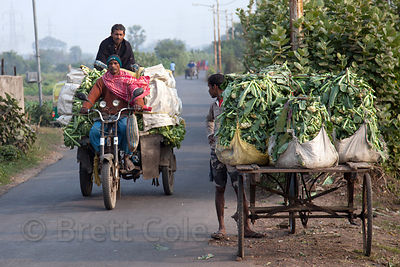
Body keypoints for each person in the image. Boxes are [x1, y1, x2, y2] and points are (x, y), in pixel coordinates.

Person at [206, 73, 264, 240]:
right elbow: (208, 121)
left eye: (209, 87)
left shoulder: (234, 104)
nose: (209, 90)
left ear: (215, 87)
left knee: (239, 188)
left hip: (233, 153)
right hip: (217, 153)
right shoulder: (214, 105)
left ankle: (246, 227)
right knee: (219, 188)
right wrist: (210, 135)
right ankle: (221, 228)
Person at [81, 55, 149, 170]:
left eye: (115, 63)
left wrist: (138, 104)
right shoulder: (102, 81)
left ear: (119, 65)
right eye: (110, 64)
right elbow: (92, 95)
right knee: (94, 132)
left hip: (122, 114)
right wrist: (85, 106)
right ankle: (100, 153)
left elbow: (135, 91)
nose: (113, 66)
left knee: (125, 129)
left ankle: (126, 156)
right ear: (107, 67)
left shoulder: (127, 79)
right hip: (105, 115)